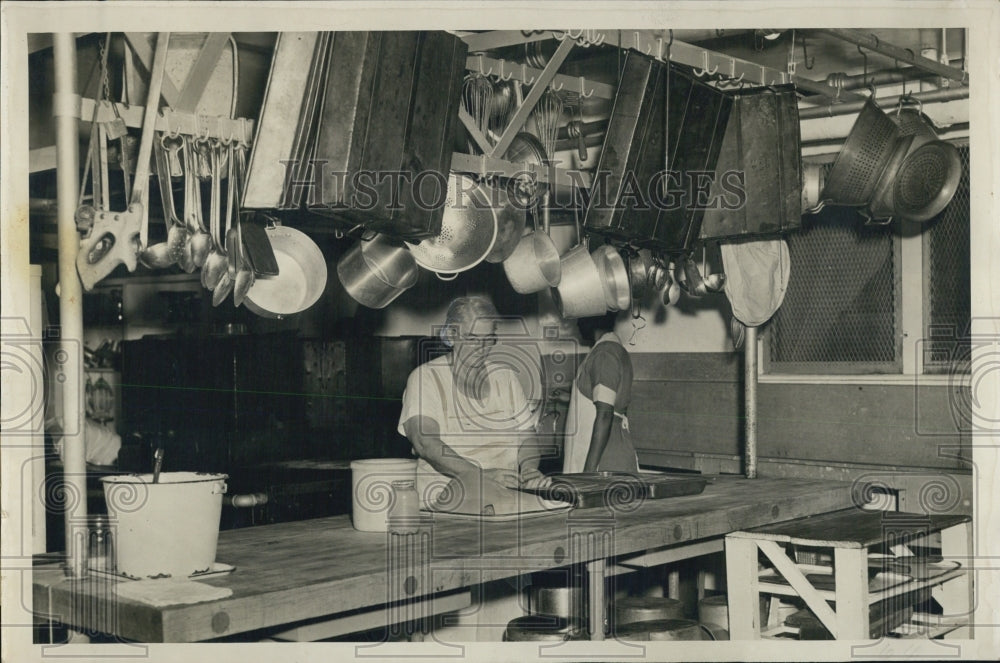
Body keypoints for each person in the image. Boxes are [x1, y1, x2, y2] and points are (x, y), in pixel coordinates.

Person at [397, 296, 551, 512]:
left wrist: (529, 470)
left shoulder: (505, 377)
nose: (481, 348)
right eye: (472, 339)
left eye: (488, 339)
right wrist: (478, 476)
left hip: (502, 499)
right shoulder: (426, 378)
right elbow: (425, 442)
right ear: (451, 335)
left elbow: (527, 436)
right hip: (444, 503)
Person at [562, 312, 639, 474]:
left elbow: (604, 414)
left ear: (590, 319)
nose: (577, 325)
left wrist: (589, 473)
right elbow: (602, 401)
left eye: (579, 318)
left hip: (603, 459)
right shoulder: (610, 349)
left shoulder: (604, 353)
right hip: (609, 452)